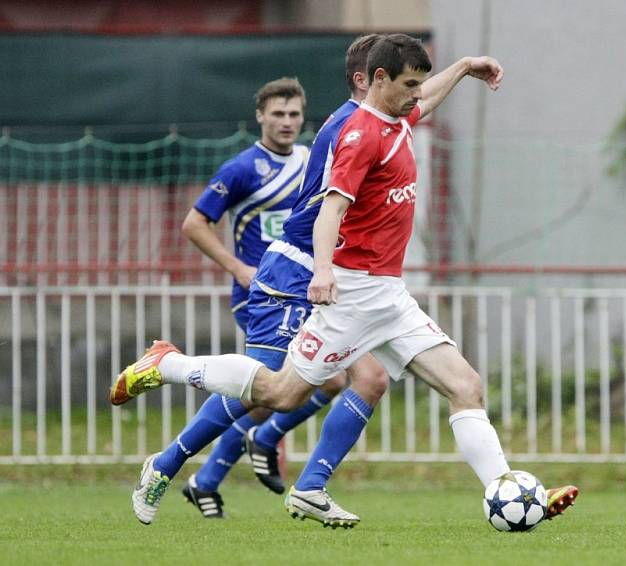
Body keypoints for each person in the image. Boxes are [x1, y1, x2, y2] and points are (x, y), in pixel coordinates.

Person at [113, 34, 578, 527]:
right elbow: (330, 209)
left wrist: (463, 67)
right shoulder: (356, 132)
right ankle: (170, 371)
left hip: (385, 293)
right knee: (275, 391)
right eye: (409, 85)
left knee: (461, 385)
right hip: (328, 280)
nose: (418, 95)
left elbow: (425, 101)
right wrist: (324, 270)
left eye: (419, 84)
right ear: (372, 80)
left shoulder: (396, 119)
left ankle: (507, 491)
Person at [131, 76, 352, 525]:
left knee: (324, 382)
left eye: (293, 114)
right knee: (268, 387)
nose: (287, 122)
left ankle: (218, 467)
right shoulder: (242, 168)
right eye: (278, 114)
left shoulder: (312, 162)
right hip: (262, 291)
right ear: (260, 117)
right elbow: (194, 224)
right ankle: (194, 464)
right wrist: (238, 268)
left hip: (308, 289)